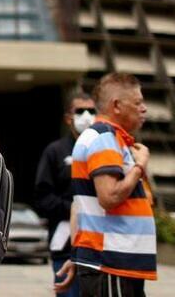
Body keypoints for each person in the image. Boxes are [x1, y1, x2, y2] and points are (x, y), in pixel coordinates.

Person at [56, 73, 154, 296]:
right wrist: (139, 166)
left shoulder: (110, 138)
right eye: (138, 102)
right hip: (111, 260)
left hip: (113, 260)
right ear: (117, 105)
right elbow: (109, 197)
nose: (144, 108)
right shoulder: (104, 139)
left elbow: (79, 206)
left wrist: (78, 254)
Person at [33, 92, 96, 296]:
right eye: (80, 111)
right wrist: (76, 209)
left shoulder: (103, 149)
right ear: (68, 117)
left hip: (99, 244)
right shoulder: (55, 152)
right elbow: (42, 198)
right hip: (65, 243)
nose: (86, 116)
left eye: (91, 111)